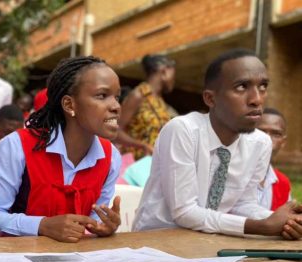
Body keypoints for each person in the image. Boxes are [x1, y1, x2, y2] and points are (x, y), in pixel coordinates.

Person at [133, 49, 302, 240]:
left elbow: (243, 204)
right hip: (156, 243)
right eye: (241, 87)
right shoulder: (183, 130)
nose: (256, 99)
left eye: (263, 86)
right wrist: (261, 226)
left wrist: (288, 222)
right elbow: (184, 212)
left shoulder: (260, 143)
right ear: (210, 99)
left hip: (209, 241)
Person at [0, 56, 122, 242]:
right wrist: (42, 225)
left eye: (117, 97)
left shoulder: (111, 157)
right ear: (69, 104)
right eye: (102, 95)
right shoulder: (17, 146)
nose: (116, 106)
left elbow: (94, 219)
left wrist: (103, 225)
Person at [116, 54, 176, 159]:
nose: (173, 81)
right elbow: (116, 131)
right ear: (164, 71)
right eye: (173, 77)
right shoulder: (138, 95)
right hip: (139, 167)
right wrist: (142, 145)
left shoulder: (159, 101)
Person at [257, 108, 291, 210]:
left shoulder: (283, 183)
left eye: (276, 134)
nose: (267, 139)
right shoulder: (230, 174)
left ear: (283, 142)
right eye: (260, 131)